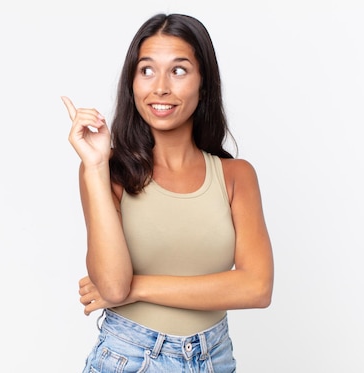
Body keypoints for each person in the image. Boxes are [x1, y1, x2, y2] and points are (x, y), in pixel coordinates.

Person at [61, 13, 274, 372]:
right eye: (146, 70)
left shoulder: (236, 176)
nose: (160, 87)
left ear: (203, 83)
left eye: (178, 70)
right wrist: (95, 166)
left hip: (214, 358)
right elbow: (112, 288)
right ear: (132, 82)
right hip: (130, 356)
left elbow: (256, 287)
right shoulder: (106, 172)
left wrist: (139, 287)